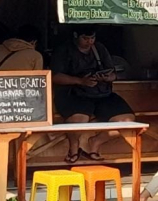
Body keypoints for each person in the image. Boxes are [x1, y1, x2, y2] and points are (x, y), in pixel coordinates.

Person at [51, 25, 135, 163]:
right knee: (79, 120)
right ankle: (73, 147)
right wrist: (80, 81)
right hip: (73, 93)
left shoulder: (99, 48)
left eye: (92, 38)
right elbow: (54, 76)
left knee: (127, 122)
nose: (90, 41)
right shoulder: (63, 50)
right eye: (85, 38)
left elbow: (113, 73)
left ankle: (96, 142)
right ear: (75, 36)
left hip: (101, 93)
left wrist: (107, 77)